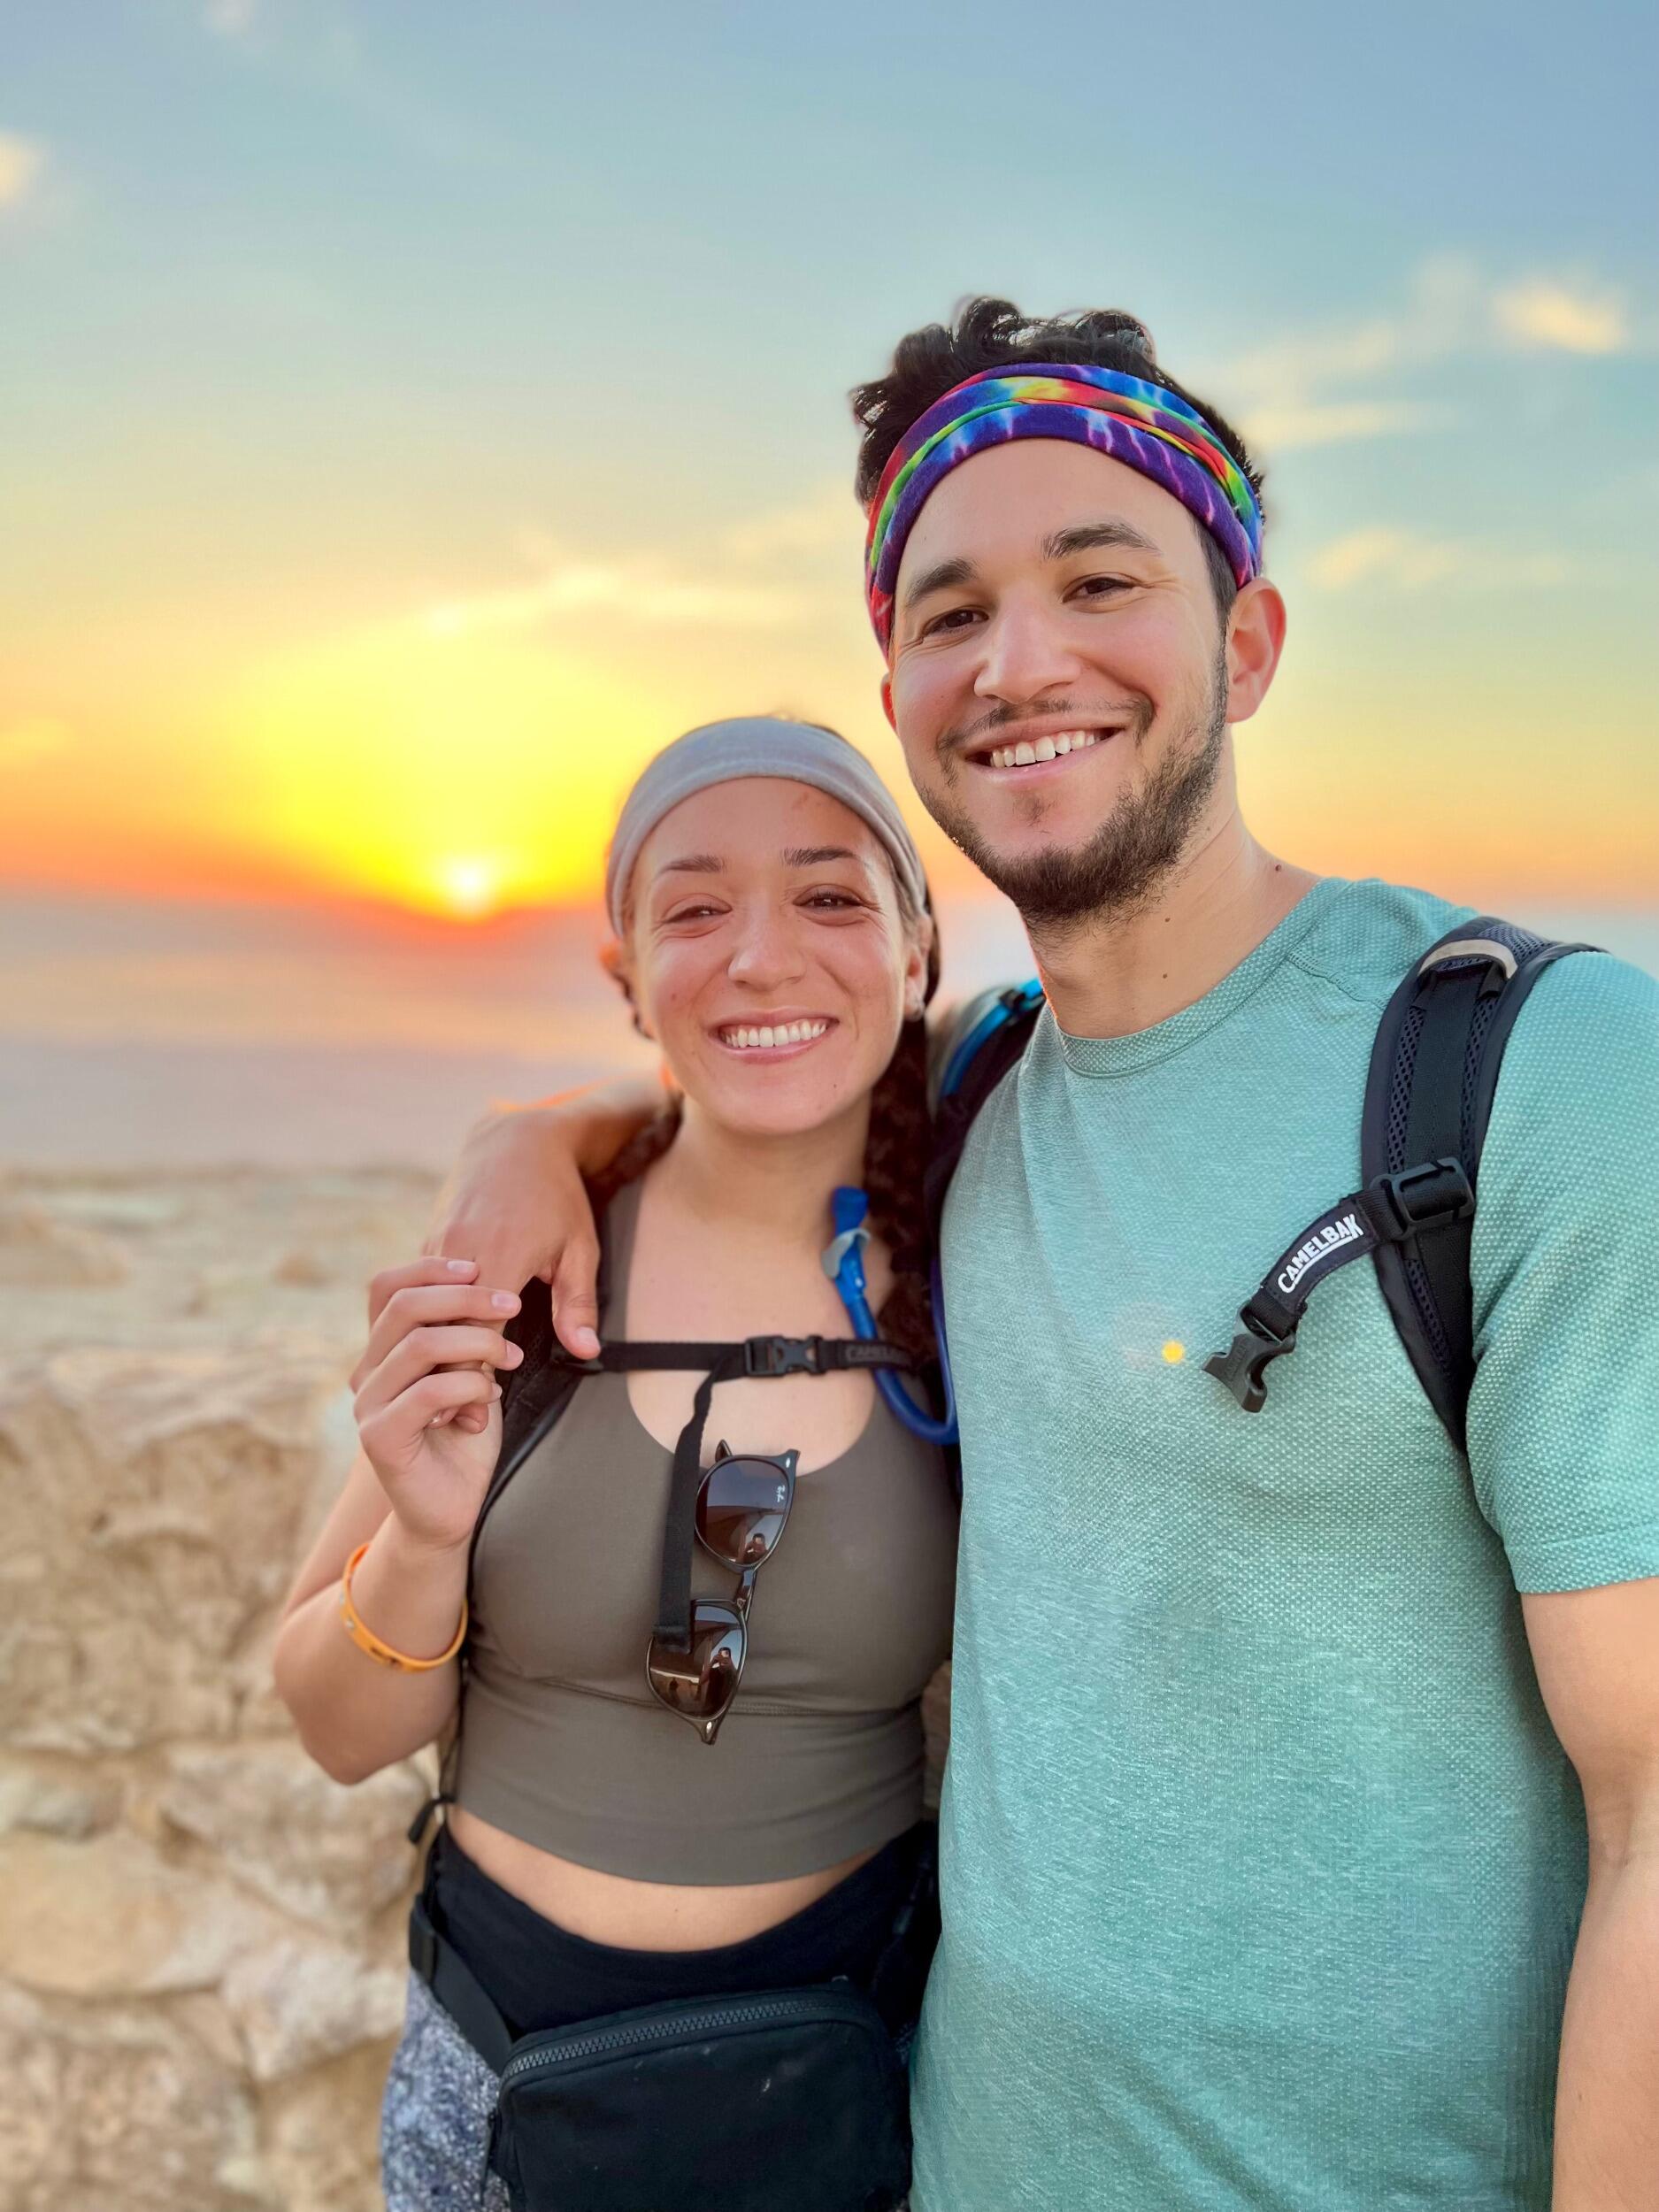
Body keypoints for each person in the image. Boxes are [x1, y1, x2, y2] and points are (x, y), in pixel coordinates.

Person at [430, 302, 1659, 2210]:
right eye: (950, 613)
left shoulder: (1535, 1074)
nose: (1018, 662)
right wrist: (525, 1143)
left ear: (1245, 643)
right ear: (902, 692)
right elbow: (744, 1089)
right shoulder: (973, 1093)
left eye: (1100, 580)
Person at [273, 718, 959, 2212]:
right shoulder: (526, 1270)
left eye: (830, 896)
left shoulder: (976, 1274)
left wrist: (530, 1122)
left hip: (849, 2084)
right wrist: (425, 1540)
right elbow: (333, 1729)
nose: (762, 958)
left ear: (920, 947)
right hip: (498, 2082)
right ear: (626, 974)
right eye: (695, 908)